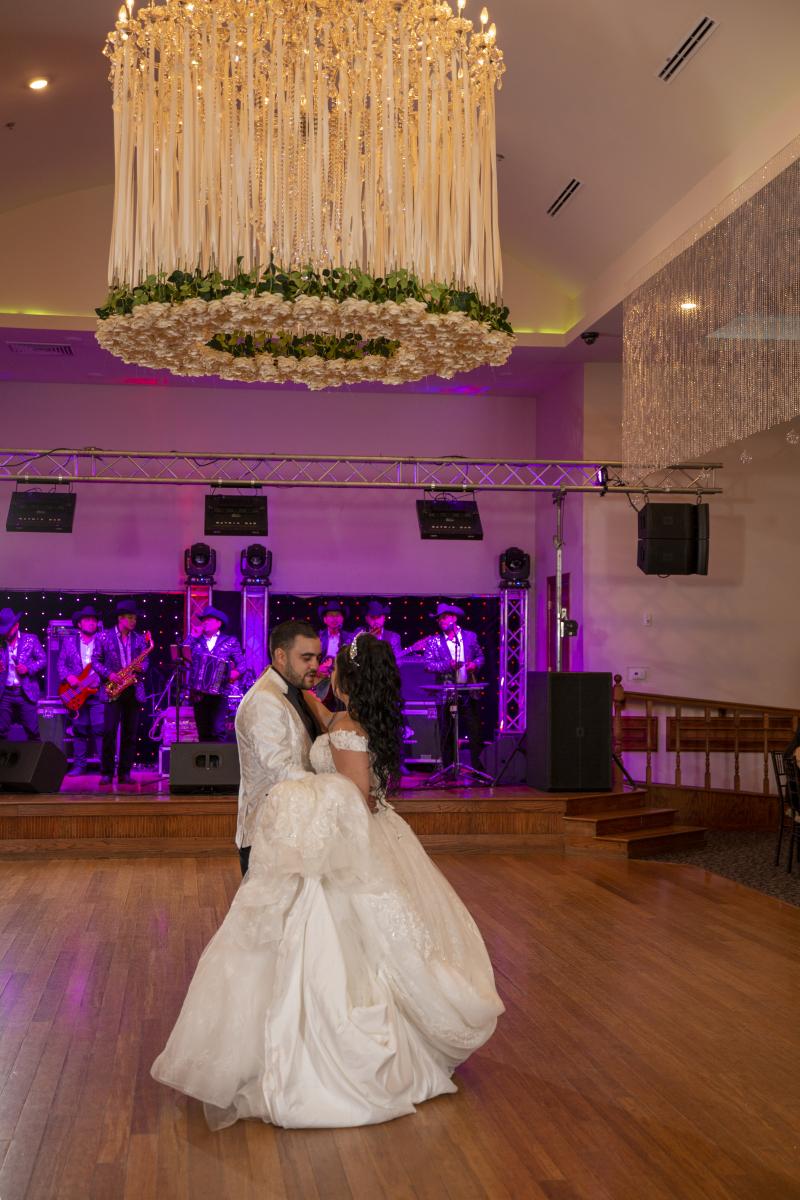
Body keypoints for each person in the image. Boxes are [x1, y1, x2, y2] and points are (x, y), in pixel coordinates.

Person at [151, 632, 504, 1130]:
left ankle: (315, 1052)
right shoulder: (342, 719)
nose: (320, 667)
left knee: (338, 948)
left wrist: (318, 786)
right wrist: (317, 704)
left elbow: (351, 794)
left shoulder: (345, 727)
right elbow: (325, 730)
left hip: (345, 843)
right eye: (310, 658)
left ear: (346, 678)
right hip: (353, 836)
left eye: (326, 662)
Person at [233, 620, 322, 877]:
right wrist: (333, 790)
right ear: (281, 656)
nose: (315, 665)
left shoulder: (293, 692)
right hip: (267, 836)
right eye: (306, 658)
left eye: (317, 658)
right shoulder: (265, 699)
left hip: (293, 831)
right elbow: (280, 768)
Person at [93, 599, 151, 786]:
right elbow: (95, 661)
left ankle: (125, 773)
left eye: (135, 618)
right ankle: (107, 773)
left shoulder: (139, 638)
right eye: (130, 617)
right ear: (120, 618)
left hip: (133, 689)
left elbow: (146, 660)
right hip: (114, 688)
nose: (134, 621)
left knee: (130, 734)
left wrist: (142, 667)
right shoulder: (103, 637)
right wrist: (109, 674)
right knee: (109, 732)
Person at [424, 602, 485, 770]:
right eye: (439, 619)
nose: (441, 621)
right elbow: (428, 665)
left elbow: (480, 657)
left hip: (468, 690)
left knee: (474, 730)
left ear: (454, 618)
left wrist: (475, 665)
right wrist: (447, 665)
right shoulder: (434, 641)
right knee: (447, 731)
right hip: (446, 692)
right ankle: (448, 769)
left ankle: (478, 768)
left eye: (444, 617)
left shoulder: (470, 636)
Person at [183, 605, 245, 742]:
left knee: (218, 729)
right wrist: (192, 636)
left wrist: (235, 673)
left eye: (208, 620)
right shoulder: (196, 640)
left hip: (220, 691)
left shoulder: (230, 641)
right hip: (198, 692)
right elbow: (182, 656)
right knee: (203, 730)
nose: (204, 622)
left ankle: (219, 756)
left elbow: (242, 664)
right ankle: (205, 756)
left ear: (218, 623)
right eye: (203, 620)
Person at [57, 605, 105, 775]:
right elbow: (60, 664)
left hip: (97, 692)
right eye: (88, 620)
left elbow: (111, 665)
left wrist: (100, 678)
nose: (92, 623)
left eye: (94, 620)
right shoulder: (69, 642)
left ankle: (105, 767)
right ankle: (79, 766)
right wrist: (68, 677)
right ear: (79, 624)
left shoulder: (104, 641)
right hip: (77, 692)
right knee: (79, 730)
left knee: (100, 730)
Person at [0, 607, 45, 742]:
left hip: (25, 692)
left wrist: (28, 668)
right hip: (5, 693)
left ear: (17, 625)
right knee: (1, 731)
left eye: (9, 629)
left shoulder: (30, 639)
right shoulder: (1, 643)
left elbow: (43, 660)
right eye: (4, 630)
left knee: (33, 731)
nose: (7, 633)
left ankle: (34, 756)